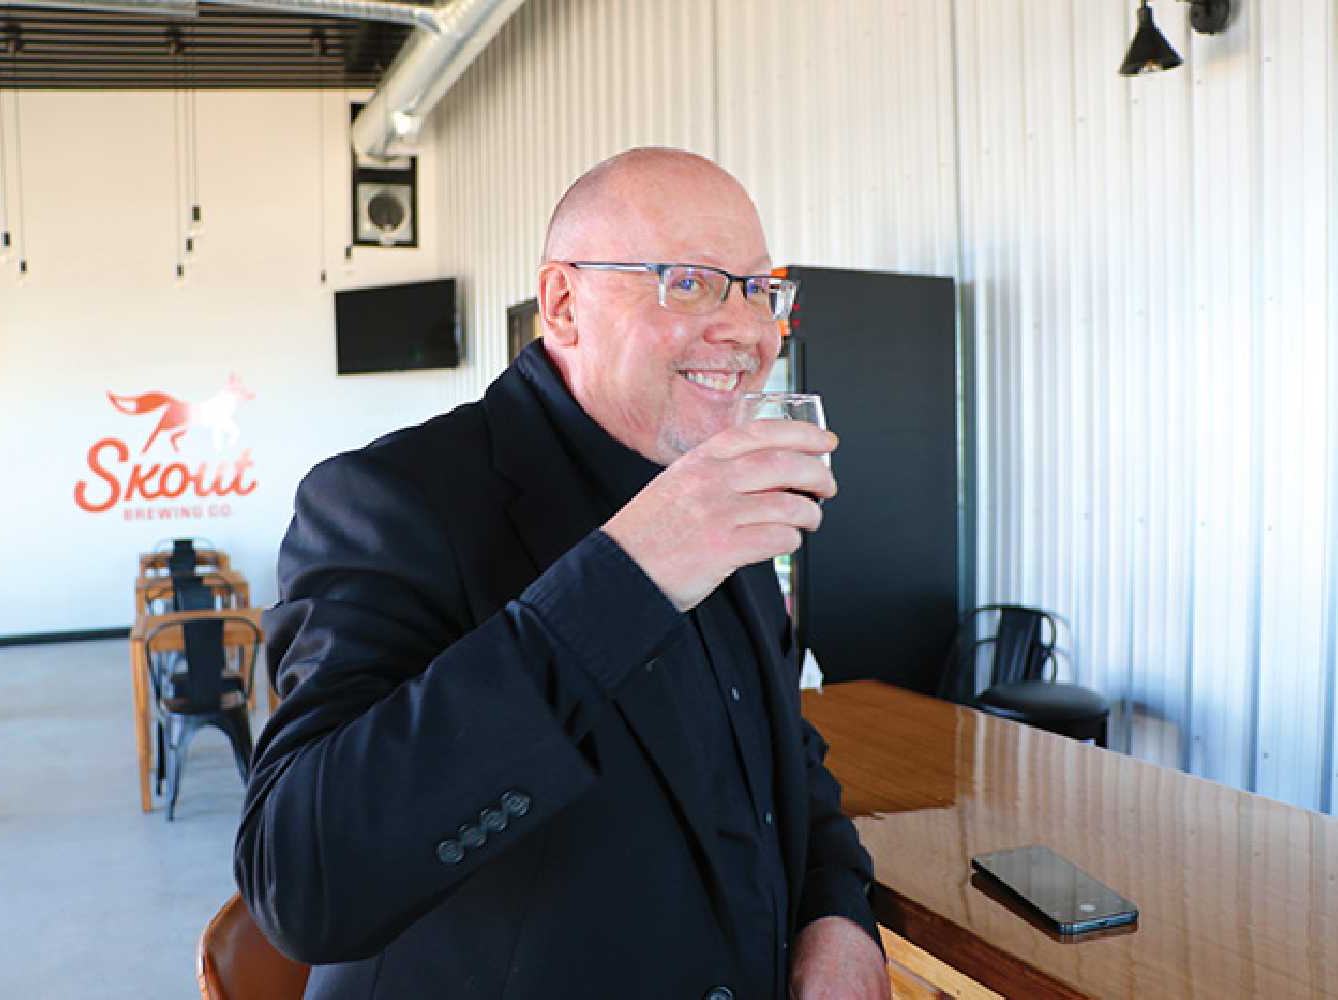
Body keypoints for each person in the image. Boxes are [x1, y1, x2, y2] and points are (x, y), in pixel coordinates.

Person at [236, 147, 889, 1000]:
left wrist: (839, 912)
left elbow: (781, 750)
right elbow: (304, 880)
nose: (747, 329)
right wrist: (632, 575)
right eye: (689, 282)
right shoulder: (394, 499)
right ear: (562, 303)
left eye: (759, 290)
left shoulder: (717, 489)